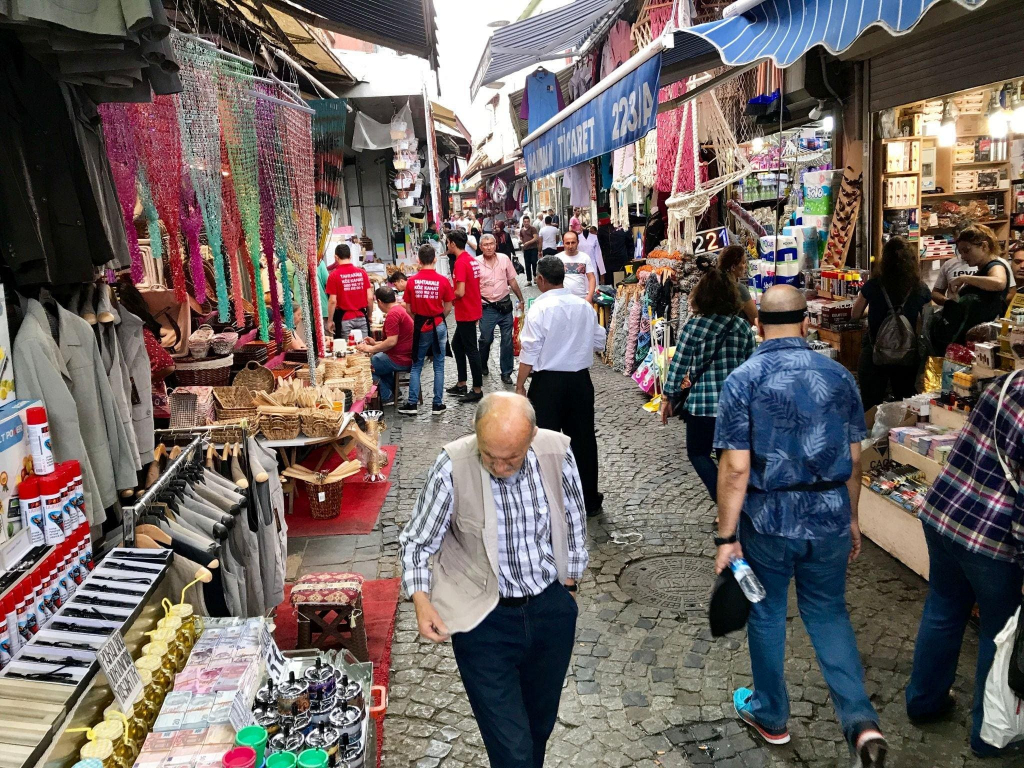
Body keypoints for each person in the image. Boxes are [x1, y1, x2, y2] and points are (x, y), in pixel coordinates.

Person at [712, 285, 887, 766]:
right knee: (829, 613)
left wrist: (726, 537)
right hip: (829, 514)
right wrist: (852, 519)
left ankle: (771, 714)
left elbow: (736, 469)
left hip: (771, 519)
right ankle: (862, 725)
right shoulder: (839, 378)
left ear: (759, 326)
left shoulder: (743, 380)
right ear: (807, 322)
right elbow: (854, 461)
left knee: (766, 613)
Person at [399, 392, 588, 768]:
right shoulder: (451, 465)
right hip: (484, 620)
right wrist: (421, 600)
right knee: (512, 749)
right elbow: (417, 542)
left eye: (511, 459)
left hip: (549, 611)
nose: (500, 467)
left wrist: (567, 589)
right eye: (490, 457)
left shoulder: (556, 452)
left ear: (532, 436)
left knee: (538, 728)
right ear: (476, 433)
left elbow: (574, 522)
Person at [905, 370, 1024, 758]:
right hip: (992, 538)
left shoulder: (1009, 381)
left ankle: (924, 701)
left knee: (943, 607)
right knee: (999, 631)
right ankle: (989, 734)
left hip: (945, 514)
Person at [516, 256, 607, 517]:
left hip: (547, 384)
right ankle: (589, 498)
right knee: (584, 440)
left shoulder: (540, 309)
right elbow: (599, 341)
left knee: (544, 441)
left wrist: (520, 386)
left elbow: (529, 351)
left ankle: (548, 498)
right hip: (579, 381)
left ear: (541, 280)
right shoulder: (584, 307)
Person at [660, 269, 755, 502]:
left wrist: (667, 398)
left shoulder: (694, 327)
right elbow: (751, 367)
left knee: (698, 453)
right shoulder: (742, 327)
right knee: (727, 456)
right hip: (734, 405)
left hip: (702, 405)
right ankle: (731, 504)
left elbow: (679, 365)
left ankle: (723, 500)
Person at [851, 236, 931, 411]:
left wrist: (873, 311)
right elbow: (925, 324)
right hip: (907, 356)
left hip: (874, 352)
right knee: (906, 405)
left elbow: (855, 314)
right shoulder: (921, 289)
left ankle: (873, 437)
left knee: (871, 404)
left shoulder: (873, 286)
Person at [399, 243, 455, 416]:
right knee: (439, 365)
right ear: (435, 259)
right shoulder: (443, 281)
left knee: (417, 364)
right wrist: (440, 318)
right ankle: (437, 404)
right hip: (438, 324)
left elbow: (408, 309)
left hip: (421, 325)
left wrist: (418, 319)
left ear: (418, 260)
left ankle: (412, 403)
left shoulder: (412, 282)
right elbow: (448, 307)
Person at [477, 233, 525, 386]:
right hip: (486, 308)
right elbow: (473, 287)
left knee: (506, 341)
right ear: (480, 247)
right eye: (485, 245)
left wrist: (521, 299)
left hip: (504, 306)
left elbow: (512, 280)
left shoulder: (504, 258)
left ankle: (506, 372)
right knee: (486, 339)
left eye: (491, 244)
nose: (489, 247)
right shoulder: (476, 263)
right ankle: (483, 363)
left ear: (496, 244)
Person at [356, 285, 414, 406]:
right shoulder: (399, 309)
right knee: (379, 360)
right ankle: (394, 392)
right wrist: (375, 343)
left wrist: (371, 348)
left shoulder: (393, 314)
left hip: (401, 358)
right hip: (405, 354)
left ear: (380, 302)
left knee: (368, 366)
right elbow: (396, 340)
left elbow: (392, 341)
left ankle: (387, 396)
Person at [446, 229, 485, 404]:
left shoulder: (460, 263)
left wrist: (447, 297)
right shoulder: (471, 260)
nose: (447, 245)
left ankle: (477, 389)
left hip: (466, 311)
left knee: (471, 350)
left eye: (448, 242)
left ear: (453, 243)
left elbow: (460, 292)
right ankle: (462, 383)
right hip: (472, 308)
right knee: (457, 345)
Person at [325, 244, 373, 340]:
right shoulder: (362, 273)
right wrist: (370, 315)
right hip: (362, 316)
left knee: (348, 350)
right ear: (350, 256)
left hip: (344, 319)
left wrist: (330, 321)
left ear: (336, 257)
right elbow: (370, 297)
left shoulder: (333, 275)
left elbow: (332, 301)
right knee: (365, 347)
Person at [717, 245, 757, 324]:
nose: (745, 266)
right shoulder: (738, 289)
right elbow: (755, 318)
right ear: (733, 267)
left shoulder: (712, 283)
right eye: (743, 262)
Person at [557, 231, 597, 303]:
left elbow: (591, 278)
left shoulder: (585, 257)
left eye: (573, 242)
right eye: (567, 243)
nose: (570, 246)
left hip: (581, 298)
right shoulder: (557, 258)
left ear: (578, 242)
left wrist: (590, 296)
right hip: (562, 299)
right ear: (563, 243)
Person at [519, 216, 541, 286]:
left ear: (529, 222)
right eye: (525, 222)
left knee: (534, 263)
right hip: (526, 249)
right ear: (523, 222)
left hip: (533, 248)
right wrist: (522, 242)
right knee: (527, 265)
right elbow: (521, 238)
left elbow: (535, 238)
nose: (526, 223)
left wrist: (528, 243)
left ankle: (535, 277)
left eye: (527, 222)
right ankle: (529, 280)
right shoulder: (522, 230)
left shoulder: (533, 229)